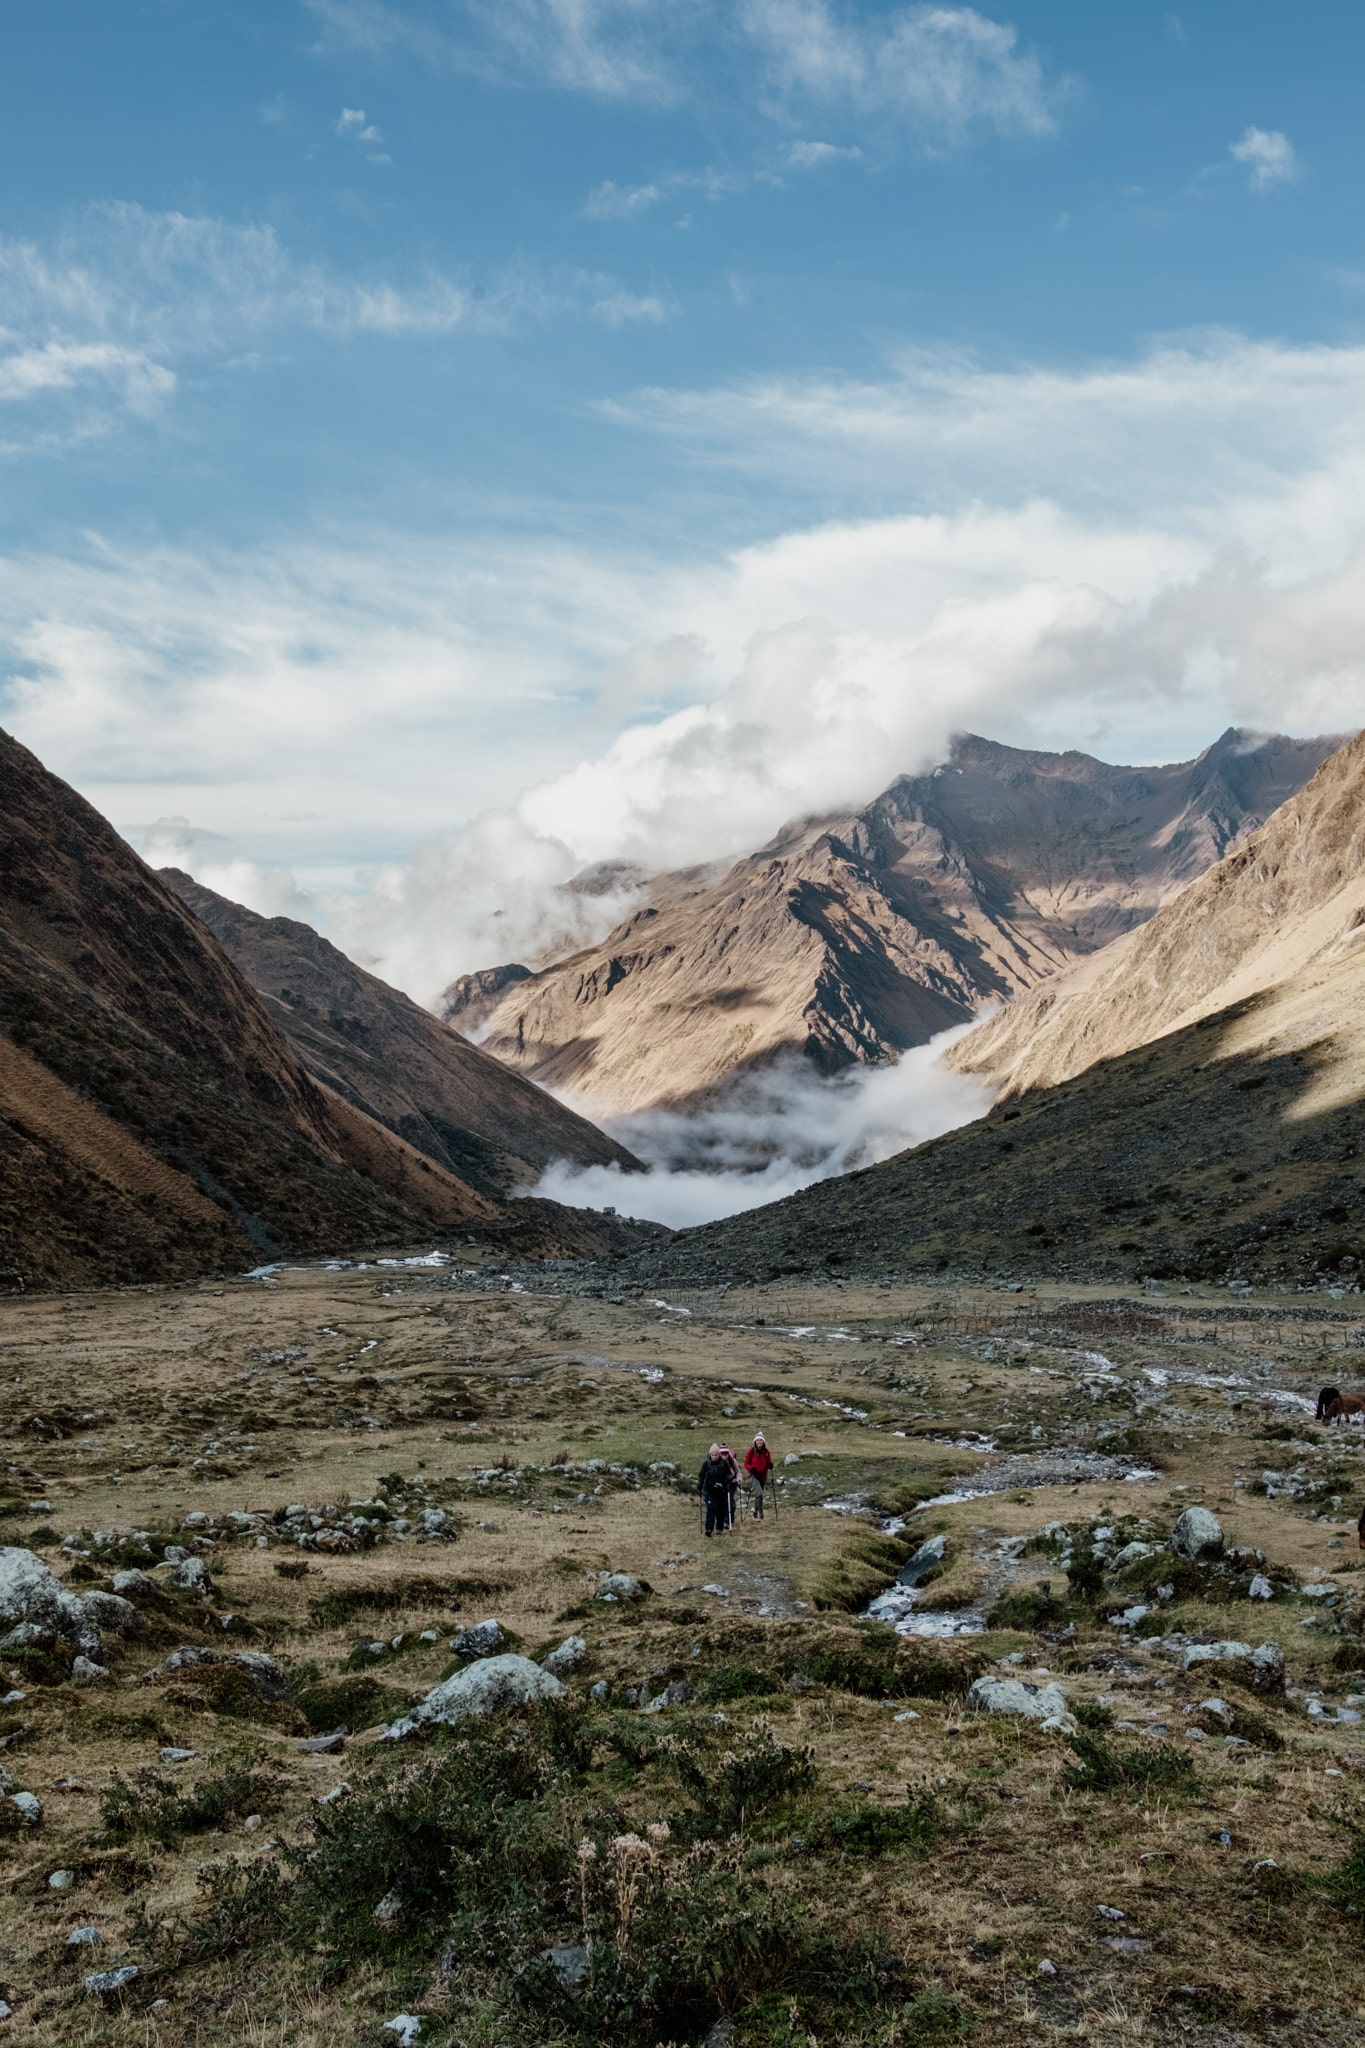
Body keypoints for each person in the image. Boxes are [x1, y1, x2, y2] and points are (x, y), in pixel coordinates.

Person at [698, 1442, 733, 1537]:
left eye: (716, 1455)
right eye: (712, 1455)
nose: (714, 1457)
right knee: (710, 1507)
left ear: (719, 1454)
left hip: (721, 1490)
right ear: (710, 1454)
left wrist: (728, 1479)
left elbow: (729, 1473)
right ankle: (709, 1529)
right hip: (710, 1489)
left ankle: (719, 1528)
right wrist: (700, 1484)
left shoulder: (724, 1463)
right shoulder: (706, 1463)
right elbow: (701, 1474)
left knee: (720, 1509)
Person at [744, 1433, 774, 1520]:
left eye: (761, 1440)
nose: (759, 1442)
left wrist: (770, 1465)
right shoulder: (751, 1451)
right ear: (755, 1442)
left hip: (764, 1476)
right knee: (759, 1493)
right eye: (757, 1440)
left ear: (763, 1442)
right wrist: (751, 1469)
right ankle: (760, 1513)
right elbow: (746, 1464)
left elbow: (768, 1462)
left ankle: (755, 1513)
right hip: (754, 1476)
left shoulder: (766, 1452)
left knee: (759, 1495)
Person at [716, 1442, 740, 1528]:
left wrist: (739, 1479)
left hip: (732, 1482)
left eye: (726, 1454)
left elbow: (738, 1471)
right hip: (722, 1483)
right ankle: (728, 1518)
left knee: (728, 1500)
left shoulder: (732, 1460)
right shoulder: (716, 1461)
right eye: (723, 1454)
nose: (725, 1456)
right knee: (724, 1501)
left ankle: (727, 1521)